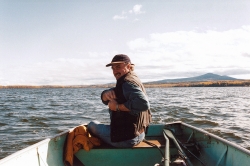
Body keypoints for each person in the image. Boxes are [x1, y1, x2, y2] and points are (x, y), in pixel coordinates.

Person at [88, 54, 152, 148]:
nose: (115, 71)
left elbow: (143, 104)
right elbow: (118, 92)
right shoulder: (132, 78)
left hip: (127, 139)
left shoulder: (127, 83)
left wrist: (117, 107)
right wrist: (105, 94)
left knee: (91, 125)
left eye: (118, 67)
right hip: (140, 134)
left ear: (129, 66)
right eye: (113, 68)